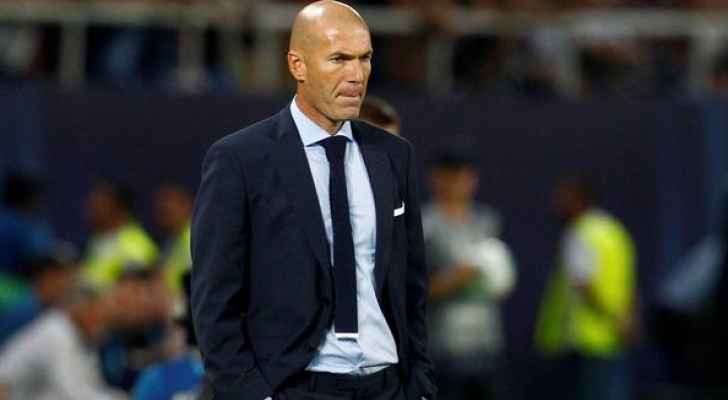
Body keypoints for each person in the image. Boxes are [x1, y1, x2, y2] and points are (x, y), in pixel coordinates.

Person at [191, 2, 436, 400]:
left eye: (365, 58)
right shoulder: (240, 159)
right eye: (339, 59)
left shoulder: (394, 155)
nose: (356, 75)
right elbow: (214, 300)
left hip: (387, 386)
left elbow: (411, 289)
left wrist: (419, 386)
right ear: (298, 65)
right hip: (295, 387)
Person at [423, 148, 515, 400]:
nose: (459, 182)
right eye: (451, 175)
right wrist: (458, 276)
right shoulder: (424, 223)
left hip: (487, 343)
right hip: (444, 347)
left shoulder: (487, 220)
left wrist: (500, 279)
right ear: (436, 178)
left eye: (465, 175)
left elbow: (499, 278)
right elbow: (412, 290)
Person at [534, 177, 637, 400]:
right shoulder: (614, 231)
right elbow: (626, 285)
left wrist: (615, 317)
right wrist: (627, 319)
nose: (557, 204)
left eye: (563, 198)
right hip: (611, 338)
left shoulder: (579, 233)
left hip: (580, 342)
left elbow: (584, 284)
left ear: (579, 200)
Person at [0, 282, 128, 400]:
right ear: (82, 310)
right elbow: (71, 392)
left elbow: (92, 384)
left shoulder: (83, 336)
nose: (101, 322)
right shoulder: (56, 330)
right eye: (97, 312)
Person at [82, 180, 158, 289]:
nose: (92, 209)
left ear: (118, 207)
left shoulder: (135, 244)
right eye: (92, 203)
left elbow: (138, 290)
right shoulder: (97, 239)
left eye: (100, 204)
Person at [0, 243, 79, 347]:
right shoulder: (24, 308)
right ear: (48, 276)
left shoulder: (46, 308)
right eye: (66, 277)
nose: (70, 284)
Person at [155, 184, 193, 298]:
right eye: (162, 212)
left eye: (169, 210)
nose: (165, 217)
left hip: (188, 299)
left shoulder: (195, 236)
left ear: (187, 206)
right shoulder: (172, 241)